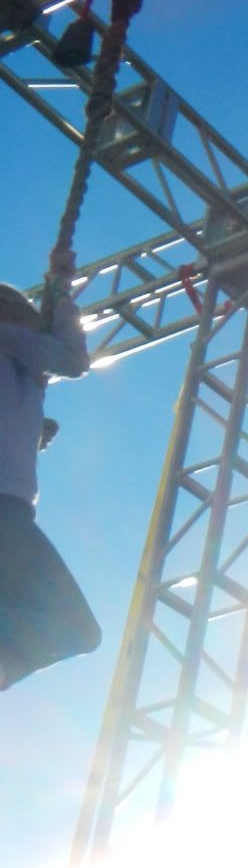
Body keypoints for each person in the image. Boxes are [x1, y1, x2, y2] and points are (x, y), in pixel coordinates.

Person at [0, 249, 101, 690]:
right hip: (5, 510)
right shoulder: (6, 336)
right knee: (74, 627)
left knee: (71, 628)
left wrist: (34, 428)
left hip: (10, 510)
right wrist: (60, 288)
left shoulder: (18, 368)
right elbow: (73, 359)